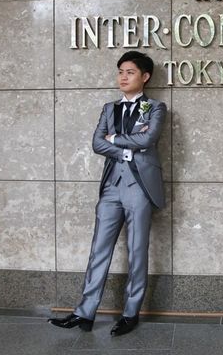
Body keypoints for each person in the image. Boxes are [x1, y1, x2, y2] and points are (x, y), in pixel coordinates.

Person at [49, 51, 167, 336]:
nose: (123, 77)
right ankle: (85, 312)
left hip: (140, 188)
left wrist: (113, 139)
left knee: (137, 251)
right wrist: (127, 148)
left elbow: (149, 137)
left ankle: (130, 313)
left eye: (130, 72)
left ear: (145, 77)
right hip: (112, 187)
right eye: (120, 72)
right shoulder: (108, 108)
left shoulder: (155, 108)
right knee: (98, 249)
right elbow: (96, 144)